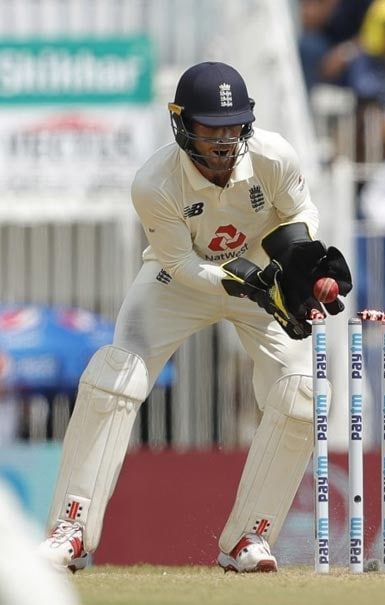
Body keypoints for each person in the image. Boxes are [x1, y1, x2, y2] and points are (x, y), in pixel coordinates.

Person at [37, 62, 352, 573]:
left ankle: (249, 537)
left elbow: (300, 214)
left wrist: (297, 268)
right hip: (177, 282)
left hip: (261, 282)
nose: (225, 141)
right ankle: (72, 527)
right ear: (182, 123)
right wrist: (241, 279)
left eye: (233, 127)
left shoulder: (275, 156)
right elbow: (180, 263)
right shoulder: (154, 183)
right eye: (212, 128)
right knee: (115, 375)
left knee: (304, 394)